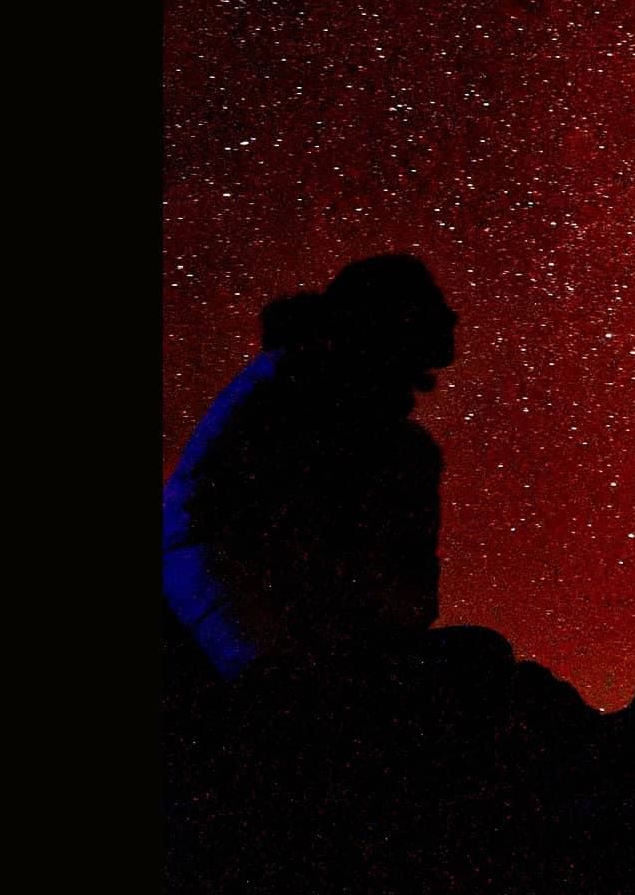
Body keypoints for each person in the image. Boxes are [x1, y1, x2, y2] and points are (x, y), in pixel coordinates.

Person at [162, 254, 459, 678]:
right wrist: (258, 661)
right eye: (431, 302)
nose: (452, 315)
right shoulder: (289, 394)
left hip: (304, 644)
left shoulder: (397, 446)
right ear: (392, 317)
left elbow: (405, 594)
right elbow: (197, 531)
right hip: (250, 645)